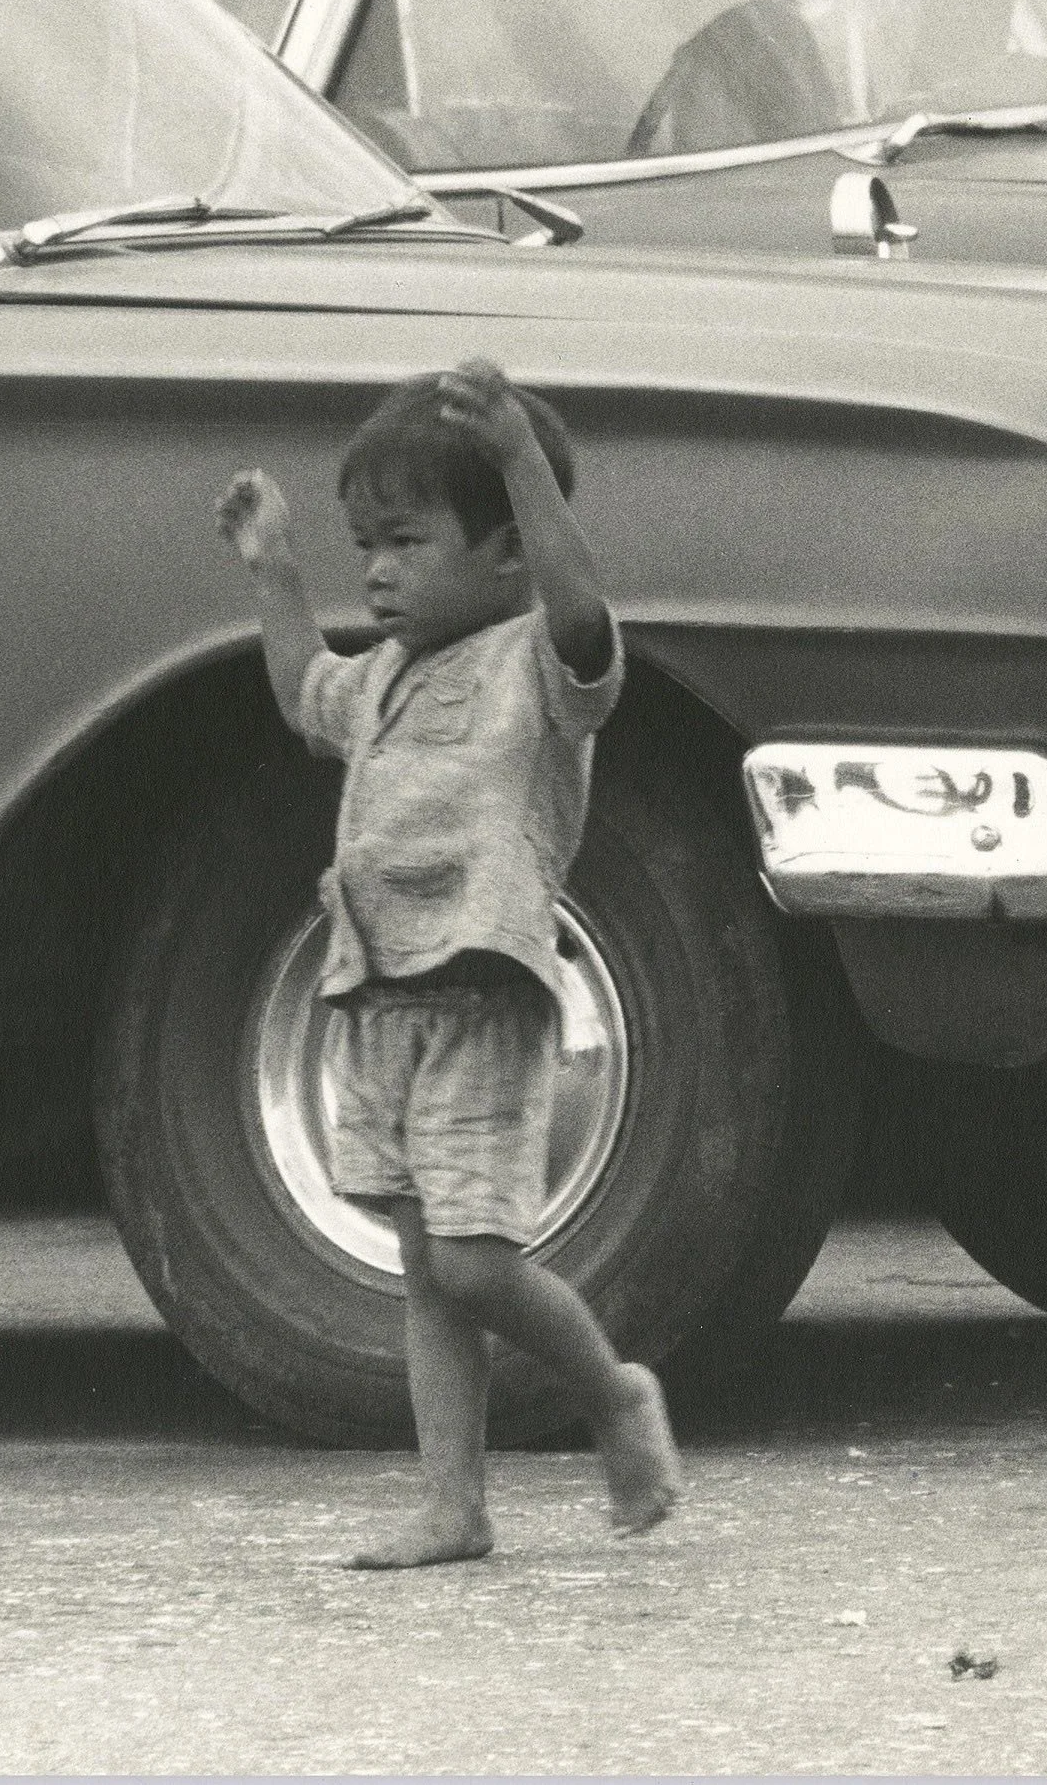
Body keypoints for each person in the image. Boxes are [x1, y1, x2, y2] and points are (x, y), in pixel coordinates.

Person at [216, 358, 684, 1569]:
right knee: (428, 1269)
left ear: (505, 552)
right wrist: (275, 573)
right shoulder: (377, 678)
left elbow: (585, 616)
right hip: (376, 999)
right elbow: (298, 694)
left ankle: (611, 1391)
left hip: (482, 992)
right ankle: (453, 1506)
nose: (374, 568)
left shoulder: (538, 663)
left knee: (474, 1263)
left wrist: (523, 460)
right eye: (362, 543)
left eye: (404, 541)